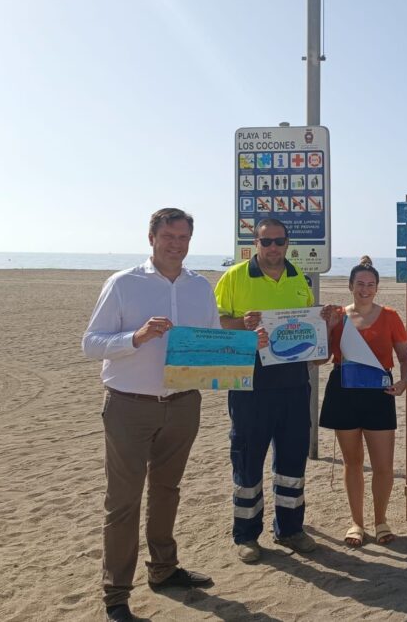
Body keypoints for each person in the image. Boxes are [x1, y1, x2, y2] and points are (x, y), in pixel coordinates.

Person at [82, 209, 247, 622]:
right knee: (122, 501)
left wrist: (246, 341)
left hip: (183, 404)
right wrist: (135, 337)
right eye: (169, 236)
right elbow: (90, 343)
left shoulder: (198, 286)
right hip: (129, 404)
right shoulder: (123, 283)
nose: (176, 244)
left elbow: (210, 342)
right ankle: (116, 594)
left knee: (167, 490)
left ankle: (164, 569)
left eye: (184, 237)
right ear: (151, 237)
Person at [213, 218, 340, 563]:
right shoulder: (234, 277)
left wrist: (324, 320)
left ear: (288, 243)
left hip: (296, 385)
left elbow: (308, 326)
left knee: (292, 459)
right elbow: (217, 324)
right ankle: (246, 535)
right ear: (254, 243)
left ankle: (290, 529)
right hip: (250, 384)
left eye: (279, 241)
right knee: (247, 459)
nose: (273, 248)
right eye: (265, 241)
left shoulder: (298, 277)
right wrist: (245, 325)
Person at [319, 257, 407, 547]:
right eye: (360, 284)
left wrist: (404, 382)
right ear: (350, 286)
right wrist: (327, 326)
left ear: (377, 288)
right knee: (352, 462)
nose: (365, 289)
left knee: (383, 464)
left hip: (378, 393)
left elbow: (404, 355)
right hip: (343, 391)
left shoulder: (390, 316)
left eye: (370, 285)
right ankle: (356, 522)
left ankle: (380, 520)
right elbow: (321, 356)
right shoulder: (337, 316)